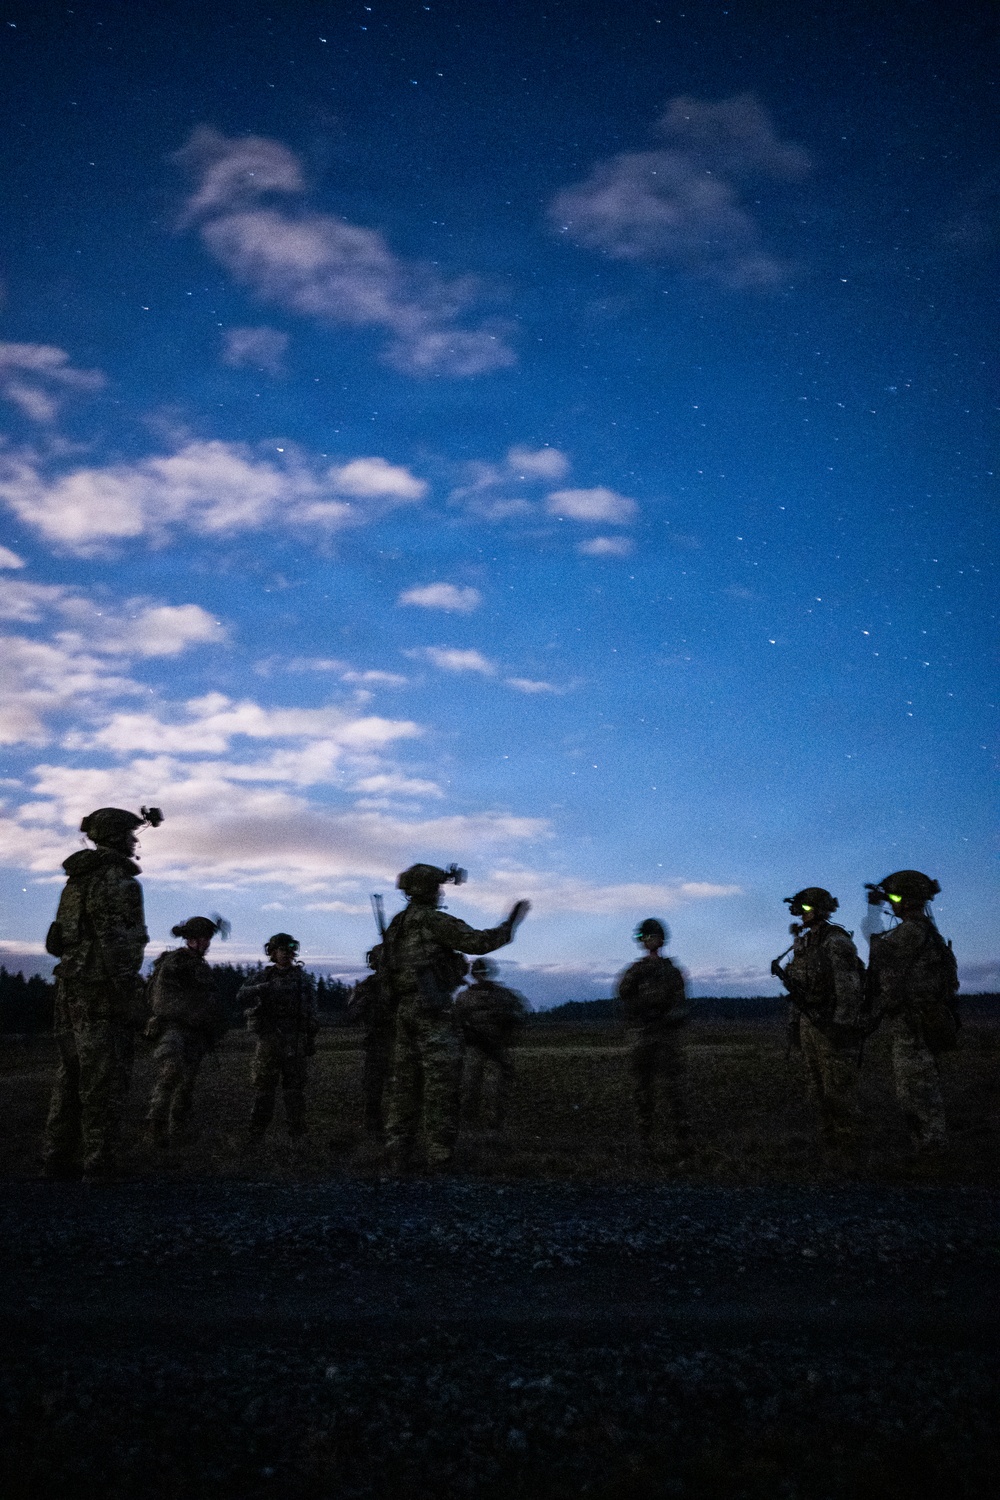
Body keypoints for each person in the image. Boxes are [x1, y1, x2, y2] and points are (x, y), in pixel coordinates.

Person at [381, 863, 530, 1171]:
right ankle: (439, 1156)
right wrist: (510, 925)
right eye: (438, 887)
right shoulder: (433, 920)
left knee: (405, 1085)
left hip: (405, 1010)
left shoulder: (397, 924)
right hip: (432, 1009)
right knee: (441, 1085)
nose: (441, 892)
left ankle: (398, 1153)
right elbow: (478, 943)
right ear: (429, 890)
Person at [41, 805, 162, 1181]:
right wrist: (130, 992)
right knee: (104, 1077)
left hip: (70, 989)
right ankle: (100, 1163)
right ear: (115, 837)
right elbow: (119, 943)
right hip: (102, 991)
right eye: (129, 834)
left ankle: (57, 1158)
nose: (134, 840)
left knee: (71, 1074)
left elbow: (59, 940)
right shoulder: (119, 882)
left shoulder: (76, 881)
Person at [865, 870, 958, 1153]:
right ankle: (929, 1144)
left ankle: (931, 1149)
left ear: (906, 900)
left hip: (913, 1023)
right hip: (926, 1019)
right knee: (922, 1084)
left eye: (894, 898)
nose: (891, 904)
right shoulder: (929, 931)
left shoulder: (909, 932)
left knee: (915, 1088)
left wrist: (872, 910)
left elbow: (875, 946)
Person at [771, 888, 866, 1161]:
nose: (801, 913)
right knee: (817, 1090)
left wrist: (841, 1026)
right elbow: (798, 989)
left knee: (839, 1089)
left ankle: (850, 1150)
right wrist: (794, 1025)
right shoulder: (805, 944)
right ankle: (829, 1145)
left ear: (820, 909)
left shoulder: (835, 941)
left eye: (806, 908)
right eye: (799, 909)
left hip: (831, 1027)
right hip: (809, 1025)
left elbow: (849, 989)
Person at [145, 915, 230, 1147]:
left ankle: (177, 1131)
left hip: (195, 1032)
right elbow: (161, 999)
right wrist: (187, 1014)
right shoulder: (175, 962)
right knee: (170, 1074)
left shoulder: (198, 965)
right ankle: (155, 1129)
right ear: (192, 939)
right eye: (204, 938)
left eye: (208, 939)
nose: (207, 943)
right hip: (173, 1028)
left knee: (187, 1082)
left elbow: (208, 1001)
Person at [616, 918, 691, 1151]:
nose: (646, 941)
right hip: (642, 1035)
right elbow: (623, 994)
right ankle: (645, 1135)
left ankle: (681, 1134)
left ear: (660, 939)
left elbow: (680, 1003)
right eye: (642, 938)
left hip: (665, 1035)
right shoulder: (636, 970)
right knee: (642, 1086)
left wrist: (668, 1017)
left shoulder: (671, 971)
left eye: (649, 937)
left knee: (672, 1085)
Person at [238, 933, 318, 1140]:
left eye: (290, 951)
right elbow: (241, 995)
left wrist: (309, 1037)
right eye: (282, 950)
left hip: (294, 1039)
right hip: (269, 1039)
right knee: (264, 1089)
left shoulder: (302, 978)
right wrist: (260, 989)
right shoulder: (263, 977)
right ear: (273, 953)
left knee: (294, 1090)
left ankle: (297, 1134)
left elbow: (311, 1010)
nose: (287, 955)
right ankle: (256, 1134)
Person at [453, 958, 529, 1129]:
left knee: (500, 1084)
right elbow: (455, 1022)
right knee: (470, 1084)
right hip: (475, 1046)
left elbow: (520, 1014)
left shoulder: (504, 994)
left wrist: (508, 1024)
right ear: (474, 975)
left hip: (498, 1044)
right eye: (478, 974)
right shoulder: (464, 997)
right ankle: (467, 1123)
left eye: (484, 974)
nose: (482, 977)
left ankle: (497, 1122)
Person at [347, 947, 397, 1141]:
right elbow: (351, 1015)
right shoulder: (368, 987)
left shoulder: (401, 985)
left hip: (399, 1042)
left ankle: (399, 1129)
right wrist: (367, 1002)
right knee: (373, 1089)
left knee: (400, 1089)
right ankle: (373, 1128)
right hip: (377, 1043)